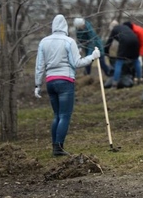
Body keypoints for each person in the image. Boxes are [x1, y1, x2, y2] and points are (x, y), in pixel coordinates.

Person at [34, 14, 101, 156]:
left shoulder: (43, 42)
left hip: (50, 82)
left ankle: (55, 147)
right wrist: (92, 57)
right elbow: (77, 63)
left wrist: (37, 85)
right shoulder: (69, 41)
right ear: (65, 26)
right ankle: (58, 148)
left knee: (57, 115)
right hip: (65, 81)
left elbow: (39, 66)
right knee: (65, 115)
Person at [104, 20, 142, 88]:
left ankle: (114, 84)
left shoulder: (114, 30)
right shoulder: (124, 27)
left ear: (112, 27)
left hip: (125, 42)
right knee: (135, 60)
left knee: (119, 62)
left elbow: (108, 43)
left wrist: (106, 53)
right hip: (135, 41)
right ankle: (139, 79)